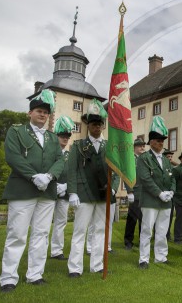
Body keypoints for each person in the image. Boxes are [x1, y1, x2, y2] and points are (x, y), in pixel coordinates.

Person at [0, 90, 64, 292]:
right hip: (22, 190)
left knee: (41, 234)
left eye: (46, 112)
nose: (43, 115)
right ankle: (8, 278)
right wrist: (34, 176)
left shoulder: (53, 138)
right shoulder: (16, 131)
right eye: (39, 111)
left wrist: (50, 176)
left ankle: (35, 274)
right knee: (17, 234)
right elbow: (13, 157)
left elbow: (60, 160)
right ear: (30, 113)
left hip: (46, 193)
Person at [67, 99, 118, 277]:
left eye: (99, 124)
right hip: (84, 194)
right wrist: (72, 192)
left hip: (104, 194)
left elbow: (117, 171)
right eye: (93, 123)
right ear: (88, 125)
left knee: (100, 231)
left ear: (103, 126)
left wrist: (114, 187)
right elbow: (71, 170)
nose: (97, 127)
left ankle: (96, 265)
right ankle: (75, 268)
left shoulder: (110, 147)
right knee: (80, 231)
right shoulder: (78, 146)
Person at [136, 117, 175, 269]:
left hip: (166, 201)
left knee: (162, 230)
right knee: (147, 230)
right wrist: (159, 193)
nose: (161, 143)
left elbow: (173, 178)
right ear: (151, 141)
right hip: (151, 200)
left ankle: (161, 257)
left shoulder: (166, 160)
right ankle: (143, 259)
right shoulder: (144, 158)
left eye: (162, 141)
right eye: (158, 140)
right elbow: (145, 179)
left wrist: (172, 191)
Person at [50, 116, 76, 260]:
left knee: (61, 222)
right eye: (62, 136)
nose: (65, 139)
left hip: (64, 193)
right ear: (56, 136)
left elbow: (73, 173)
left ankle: (56, 251)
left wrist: (66, 186)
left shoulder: (69, 155)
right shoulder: (49, 153)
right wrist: (54, 185)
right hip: (48, 192)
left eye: (67, 136)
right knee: (44, 223)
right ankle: (39, 251)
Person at [124, 138, 146, 250]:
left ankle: (143, 240)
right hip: (135, 192)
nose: (142, 148)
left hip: (145, 193)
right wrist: (129, 191)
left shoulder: (146, 159)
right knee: (132, 218)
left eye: (143, 146)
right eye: (140, 146)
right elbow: (127, 175)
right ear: (134, 148)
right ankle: (128, 241)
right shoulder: (130, 159)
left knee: (144, 218)